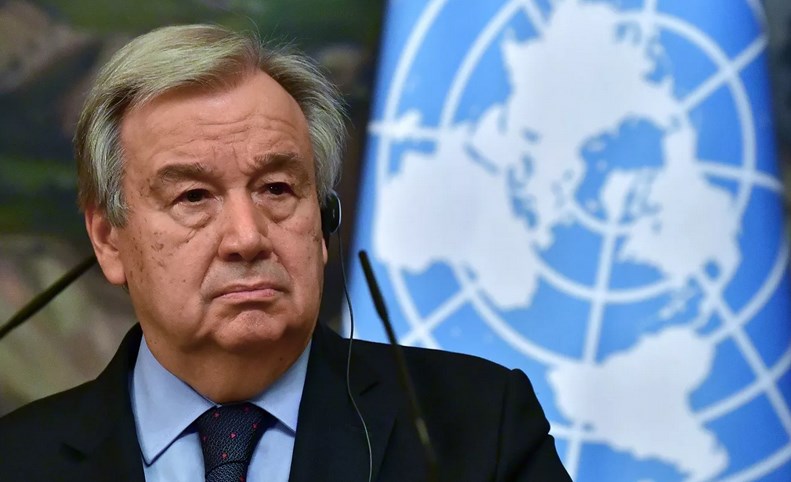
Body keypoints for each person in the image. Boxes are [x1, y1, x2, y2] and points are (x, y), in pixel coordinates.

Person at [0, 24, 571, 481]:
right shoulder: (18, 459)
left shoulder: (477, 427)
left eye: (276, 189)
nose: (247, 238)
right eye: (193, 196)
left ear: (322, 221)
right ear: (108, 239)